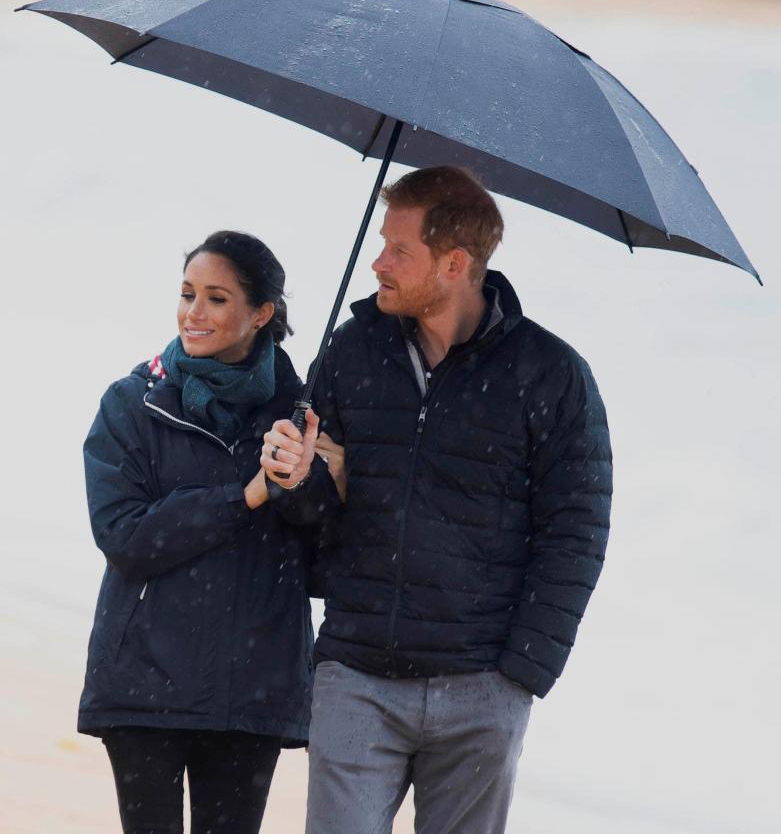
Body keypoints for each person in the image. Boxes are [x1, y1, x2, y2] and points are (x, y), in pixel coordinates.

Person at [262, 167, 613, 834]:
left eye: (399, 250)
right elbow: (313, 515)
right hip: (356, 674)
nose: (377, 263)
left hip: (481, 686)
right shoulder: (351, 349)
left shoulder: (552, 375)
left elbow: (575, 533)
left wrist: (520, 675)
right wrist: (295, 476)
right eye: (380, 244)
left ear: (453, 263)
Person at [78, 230, 332, 834]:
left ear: (261, 313)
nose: (194, 312)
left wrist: (301, 480)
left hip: (252, 692)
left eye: (216, 298)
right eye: (188, 293)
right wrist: (241, 496)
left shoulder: (305, 413)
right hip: (144, 684)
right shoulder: (132, 402)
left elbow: (327, 552)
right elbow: (126, 538)